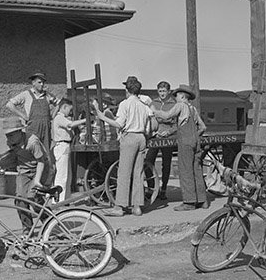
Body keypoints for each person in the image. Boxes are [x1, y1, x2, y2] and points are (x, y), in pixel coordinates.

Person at [92, 75, 150, 217]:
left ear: (127, 90)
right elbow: (148, 128)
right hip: (141, 137)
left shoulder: (125, 104)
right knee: (138, 173)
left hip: (129, 138)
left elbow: (119, 124)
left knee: (124, 173)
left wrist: (102, 116)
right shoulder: (144, 106)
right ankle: (137, 206)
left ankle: (119, 207)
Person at [152, 85, 208, 211]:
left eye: (176, 96)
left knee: (186, 170)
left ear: (182, 96)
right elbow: (203, 127)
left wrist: (154, 111)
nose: (175, 98)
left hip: (185, 142)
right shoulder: (193, 108)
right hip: (196, 142)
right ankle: (202, 200)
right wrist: (194, 135)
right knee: (197, 170)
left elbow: (166, 115)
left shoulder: (180, 105)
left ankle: (189, 202)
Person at [0, 116, 49, 230]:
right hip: (24, 171)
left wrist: (37, 180)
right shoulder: (11, 142)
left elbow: (41, 161)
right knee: (20, 201)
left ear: (19, 132)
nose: (9, 138)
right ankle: (27, 229)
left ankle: (49, 223)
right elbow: (15, 155)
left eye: (11, 135)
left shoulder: (32, 142)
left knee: (33, 198)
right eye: (7, 135)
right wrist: (3, 166)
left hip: (40, 169)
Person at [6, 71, 56, 159]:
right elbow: (9, 105)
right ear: (33, 83)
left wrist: (52, 116)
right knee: (32, 152)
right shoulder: (26, 94)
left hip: (46, 129)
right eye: (39, 82)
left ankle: (46, 167)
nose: (42, 84)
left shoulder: (47, 95)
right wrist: (23, 116)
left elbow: (60, 104)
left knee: (46, 154)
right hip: (32, 128)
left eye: (43, 82)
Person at [146, 80, 176, 202]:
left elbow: (177, 124)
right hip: (155, 136)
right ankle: (152, 188)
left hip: (168, 138)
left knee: (166, 163)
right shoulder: (153, 103)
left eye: (164, 91)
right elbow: (148, 119)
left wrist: (169, 132)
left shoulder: (174, 104)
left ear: (169, 92)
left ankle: (163, 189)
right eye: (160, 91)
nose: (162, 93)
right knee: (148, 161)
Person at [52, 97, 86, 202]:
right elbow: (70, 124)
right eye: (69, 110)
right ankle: (58, 200)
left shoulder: (63, 118)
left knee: (67, 175)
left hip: (66, 146)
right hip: (62, 145)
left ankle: (65, 199)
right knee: (62, 175)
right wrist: (85, 120)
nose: (70, 112)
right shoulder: (59, 117)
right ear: (64, 107)